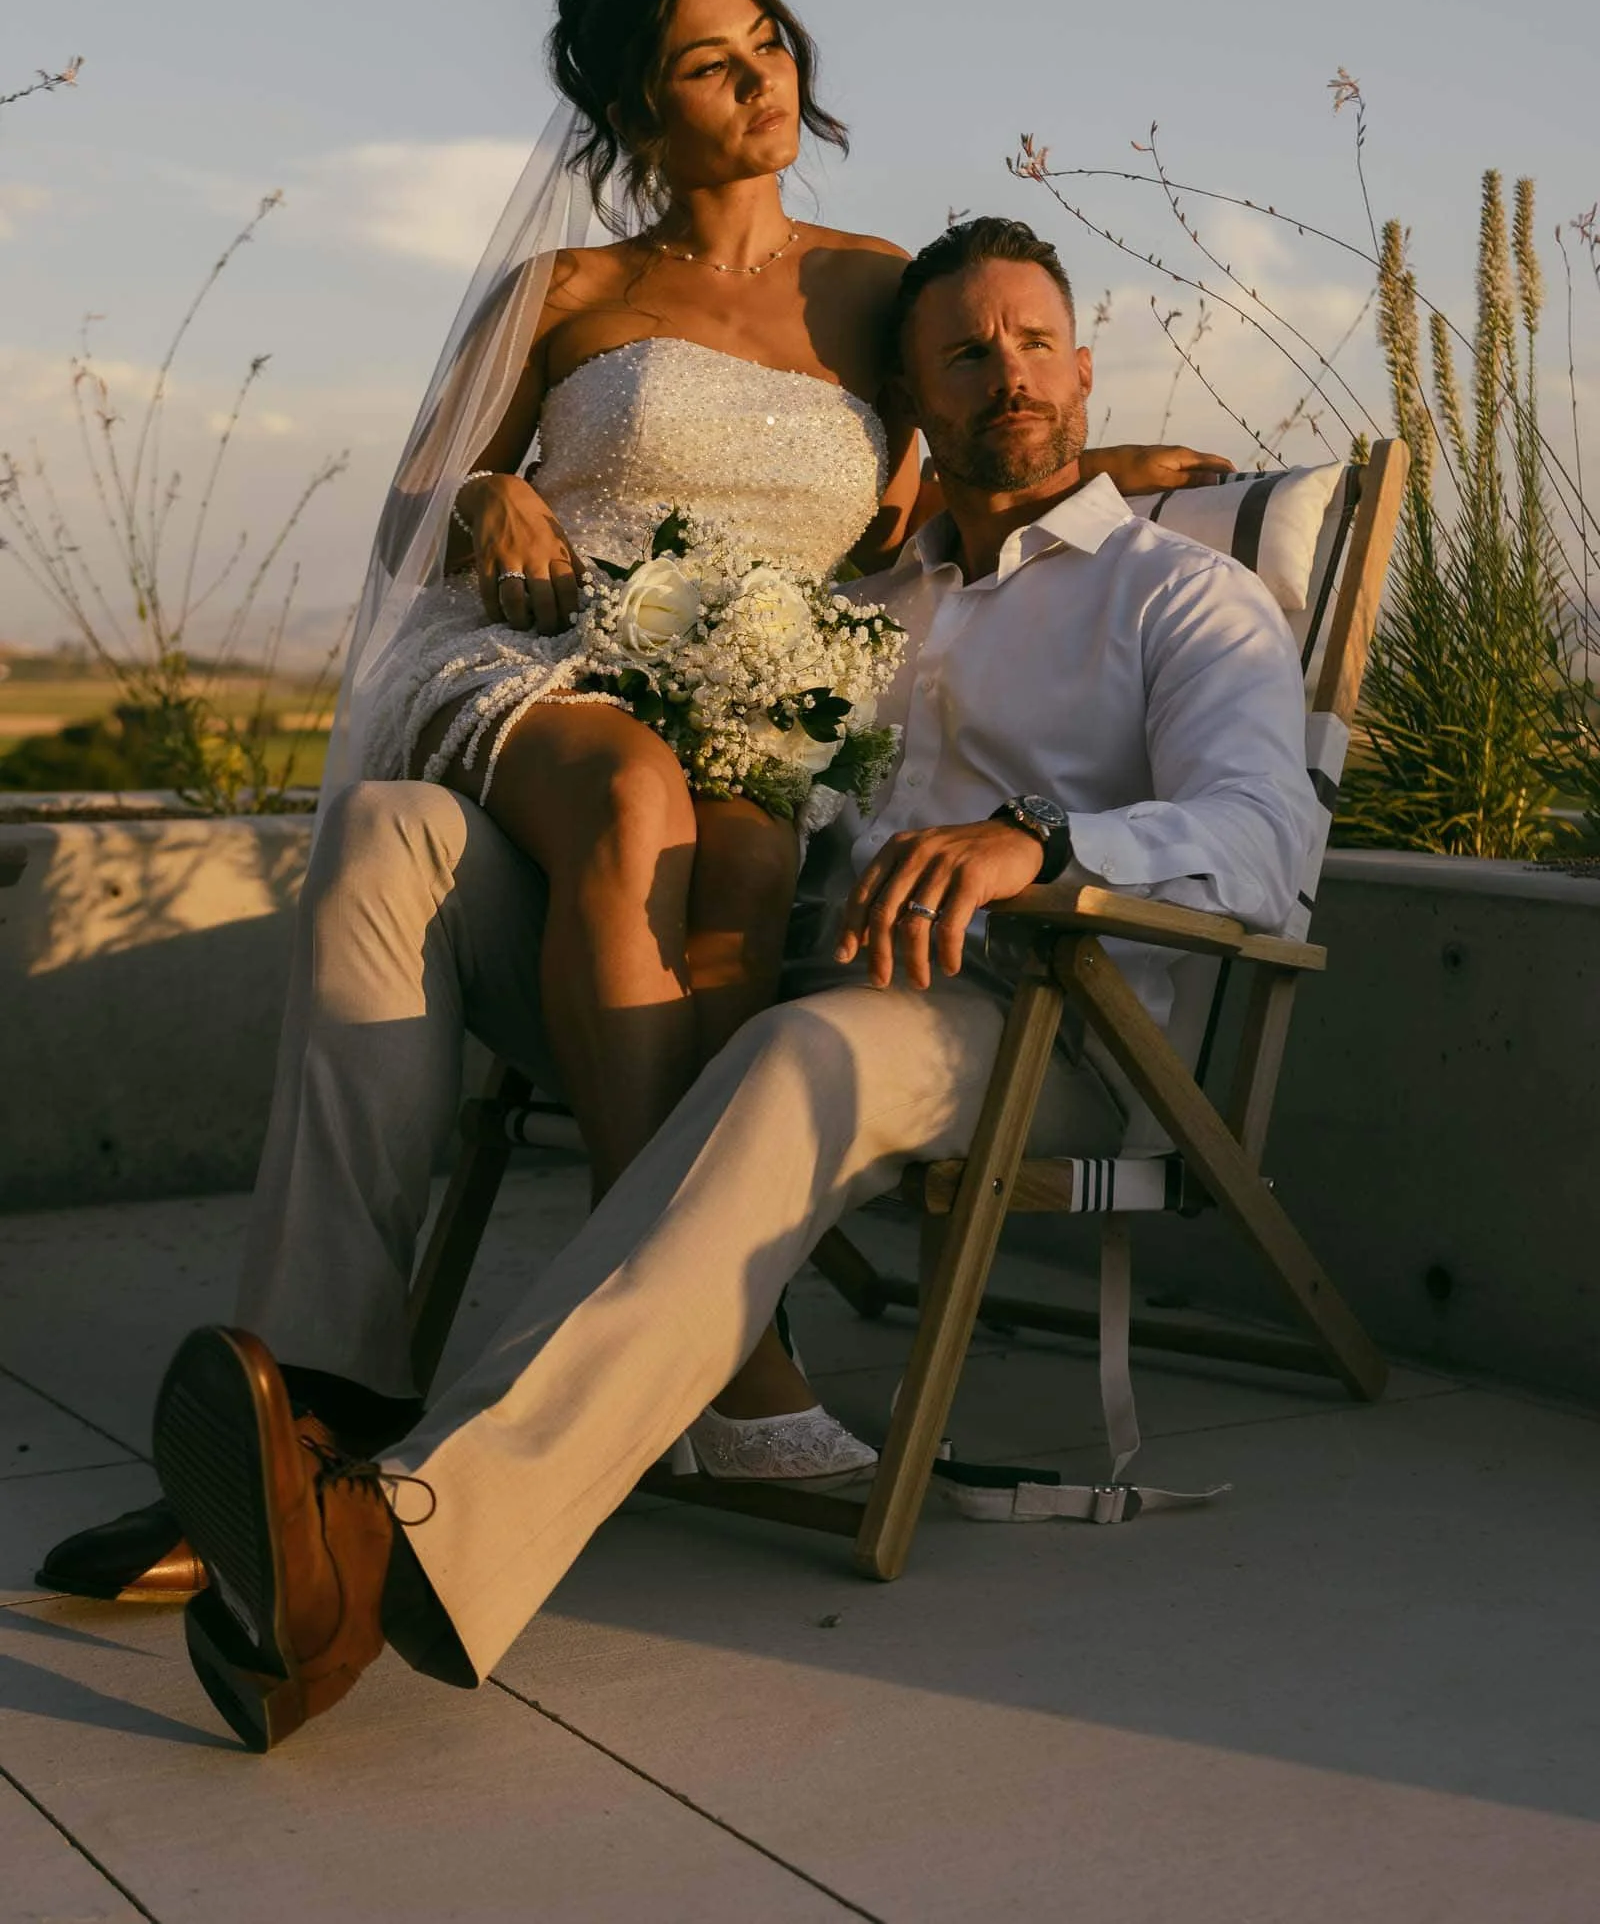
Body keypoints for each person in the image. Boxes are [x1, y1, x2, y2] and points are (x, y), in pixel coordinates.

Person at [127, 211, 1317, 1753]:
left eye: (1035, 344)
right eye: (965, 354)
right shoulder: (856, 611)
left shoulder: (1176, 595)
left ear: (1083, 371)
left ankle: (400, 1541)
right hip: (756, 988)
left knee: (802, 1051)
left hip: (1040, 1019)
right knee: (391, 834)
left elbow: (1266, 837)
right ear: (910, 406)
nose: (1008, 375)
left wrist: (1036, 839)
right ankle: (316, 1391)